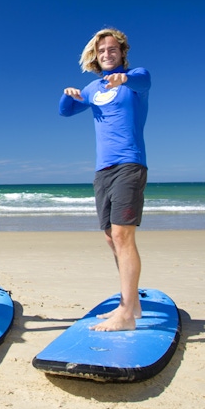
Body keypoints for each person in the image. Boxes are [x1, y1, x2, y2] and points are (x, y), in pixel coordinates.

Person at [59, 27, 151, 332]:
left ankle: (126, 313)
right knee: (111, 237)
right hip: (103, 170)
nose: (107, 54)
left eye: (112, 49)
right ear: (96, 57)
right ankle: (131, 302)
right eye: (102, 51)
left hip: (129, 163)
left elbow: (142, 79)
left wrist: (125, 78)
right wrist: (68, 94)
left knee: (123, 236)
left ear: (122, 52)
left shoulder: (136, 78)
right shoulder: (94, 88)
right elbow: (66, 112)